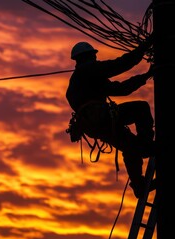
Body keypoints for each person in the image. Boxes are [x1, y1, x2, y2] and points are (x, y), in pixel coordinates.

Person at [66, 38, 155, 198]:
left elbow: (120, 89)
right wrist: (145, 47)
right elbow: (120, 65)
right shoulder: (89, 71)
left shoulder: (82, 80)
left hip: (99, 126)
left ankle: (139, 185)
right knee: (141, 108)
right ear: (88, 57)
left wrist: (145, 76)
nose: (95, 59)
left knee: (130, 147)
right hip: (104, 120)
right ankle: (147, 144)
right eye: (93, 56)